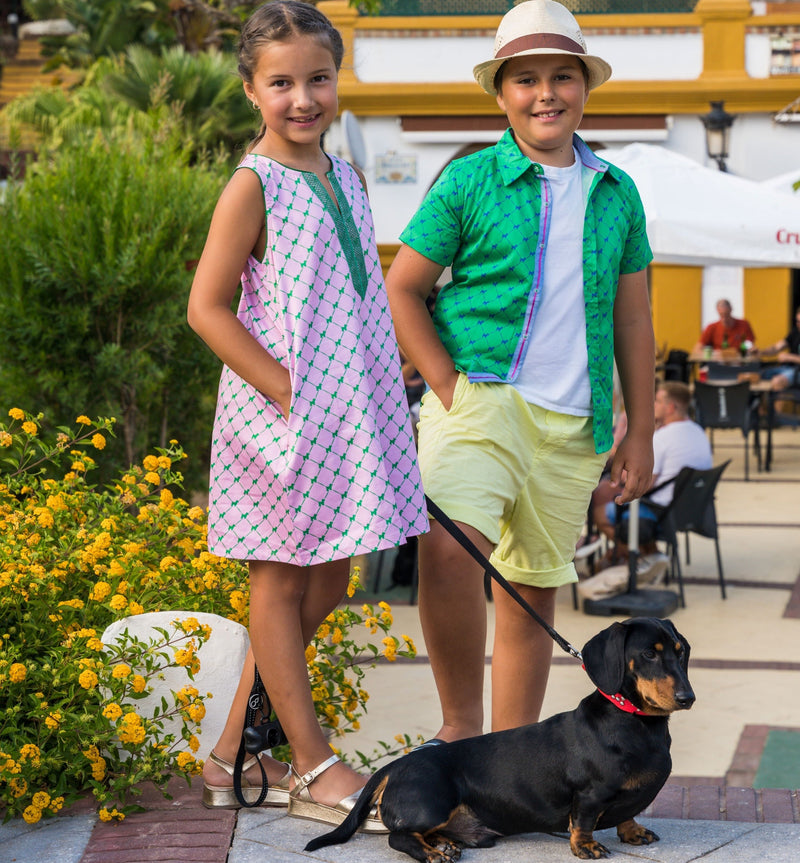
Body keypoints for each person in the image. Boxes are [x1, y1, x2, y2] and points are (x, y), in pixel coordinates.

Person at [385, 0, 656, 743]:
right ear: (501, 94)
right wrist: (448, 388)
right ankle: (461, 732)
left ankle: (505, 761)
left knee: (532, 587)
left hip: (575, 422)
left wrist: (639, 433)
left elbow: (634, 317)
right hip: (480, 396)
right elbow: (402, 287)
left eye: (562, 76)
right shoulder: (470, 182)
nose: (546, 93)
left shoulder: (618, 192)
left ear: (584, 87)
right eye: (526, 79)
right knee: (447, 550)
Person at [186, 0, 427, 828]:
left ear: (336, 80)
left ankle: (229, 748)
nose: (303, 98)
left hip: (344, 418)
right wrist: (288, 388)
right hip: (279, 419)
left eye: (318, 78)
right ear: (251, 88)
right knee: (281, 581)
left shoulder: (346, 176)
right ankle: (312, 764)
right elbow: (207, 308)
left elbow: (352, 298)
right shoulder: (252, 184)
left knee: (332, 574)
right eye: (281, 82)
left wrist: (374, 379)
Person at [592, 381, 713, 568]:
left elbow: (642, 483)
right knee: (609, 491)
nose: (653, 405)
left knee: (600, 510)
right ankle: (643, 554)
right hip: (693, 510)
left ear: (671, 407)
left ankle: (640, 557)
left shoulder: (662, 437)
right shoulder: (698, 432)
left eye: (657, 401)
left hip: (660, 512)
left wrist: (620, 477)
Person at [759, 306, 800, 391]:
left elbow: (788, 357)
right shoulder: (795, 332)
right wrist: (760, 352)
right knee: (757, 376)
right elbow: (776, 348)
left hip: (797, 372)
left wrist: (790, 357)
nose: (798, 324)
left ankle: (775, 403)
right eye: (798, 321)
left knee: (778, 381)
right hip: (788, 368)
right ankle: (758, 403)